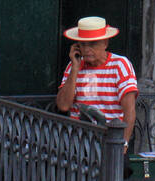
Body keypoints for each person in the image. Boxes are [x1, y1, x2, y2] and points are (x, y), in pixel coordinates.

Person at [56, 15, 137, 151]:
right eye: (83, 44)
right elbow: (63, 105)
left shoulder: (120, 65)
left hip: (110, 141)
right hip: (78, 143)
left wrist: (123, 144)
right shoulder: (72, 67)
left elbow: (129, 111)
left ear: (105, 43)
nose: (87, 49)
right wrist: (75, 68)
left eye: (92, 44)